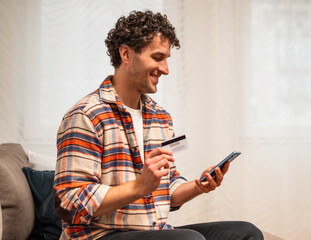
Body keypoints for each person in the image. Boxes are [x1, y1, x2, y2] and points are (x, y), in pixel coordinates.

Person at [53, 10, 263, 240]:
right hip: (99, 235)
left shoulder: (161, 118)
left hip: (153, 232)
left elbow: (167, 187)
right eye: (157, 57)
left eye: (166, 59)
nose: (165, 69)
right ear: (126, 54)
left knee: (245, 233)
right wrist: (139, 187)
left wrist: (198, 186)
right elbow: (69, 204)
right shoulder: (86, 115)